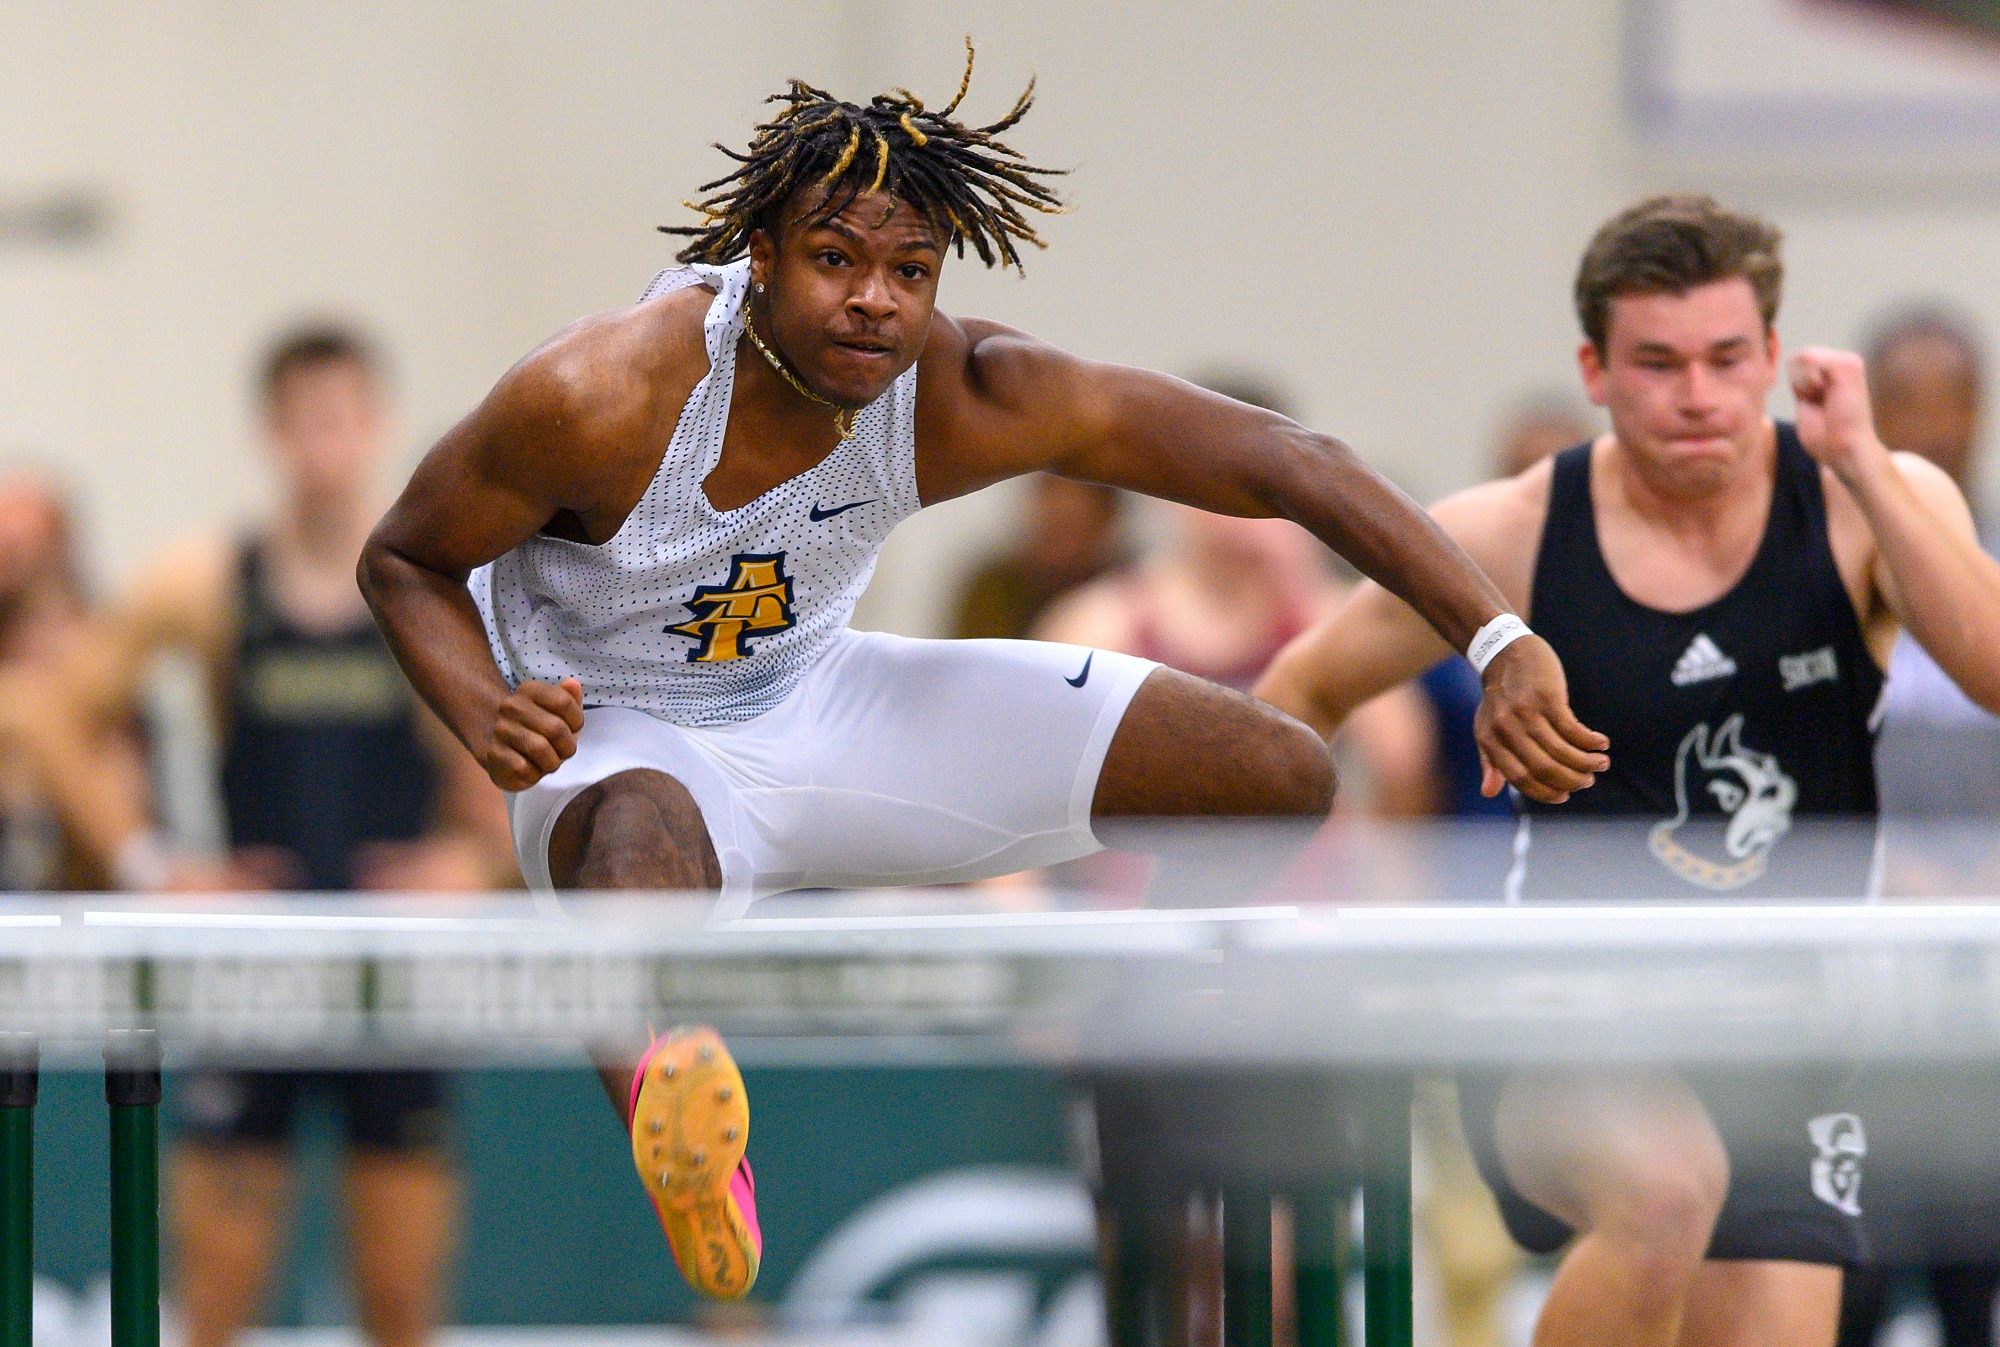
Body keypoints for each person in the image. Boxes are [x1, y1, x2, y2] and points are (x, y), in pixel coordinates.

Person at [355, 46, 1604, 1304]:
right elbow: (404, 559)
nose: (874, 304)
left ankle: (1145, 1028)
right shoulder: (602, 391)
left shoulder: (961, 390)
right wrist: (484, 712)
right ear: (762, 259)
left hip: (820, 704)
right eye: (836, 261)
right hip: (623, 740)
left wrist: (1496, 640)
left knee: (1271, 771)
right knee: (635, 835)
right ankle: (674, 1104)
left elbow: (1289, 462)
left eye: (909, 272)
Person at [1257, 194, 2000, 1347]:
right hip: (1565, 1017)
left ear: (1769, 355)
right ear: (1593, 369)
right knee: (1662, 1187)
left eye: (1721, 359)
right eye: (1656, 363)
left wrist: (1856, 458)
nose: (1696, 397)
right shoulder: (1507, 530)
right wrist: (1269, 901)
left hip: (1789, 1039)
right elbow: (1296, 695)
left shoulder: (1869, 499)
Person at [122, 326, 514, 1347]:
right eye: (304, 422)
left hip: (396, 975)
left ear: (376, 427)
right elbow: (52, 714)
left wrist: (476, 860)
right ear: (272, 434)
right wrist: (153, 862)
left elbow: (537, 756)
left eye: (343, 419)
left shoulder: (441, 592)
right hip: (254, 973)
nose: (324, 445)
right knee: (214, 1300)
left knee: (396, 1302)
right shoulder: (204, 583)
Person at [1835, 305, 2000, 1347]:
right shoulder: (1822, 578)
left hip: (1983, 983)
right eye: (1909, 405)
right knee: (1851, 1261)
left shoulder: (1985, 570)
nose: (1933, 428)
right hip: (1863, 981)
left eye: (1954, 404)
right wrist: (1889, 873)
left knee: (1971, 1254)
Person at [0, 471, 154, 890]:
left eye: (26, 542)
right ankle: (150, 873)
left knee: (82, 733)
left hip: (92, 874)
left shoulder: (105, 643)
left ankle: (148, 872)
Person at [948, 472, 1127, 640]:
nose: (1063, 536)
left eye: (1073, 524)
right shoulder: (992, 590)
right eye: (1057, 525)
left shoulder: (1128, 593)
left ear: (1108, 517)